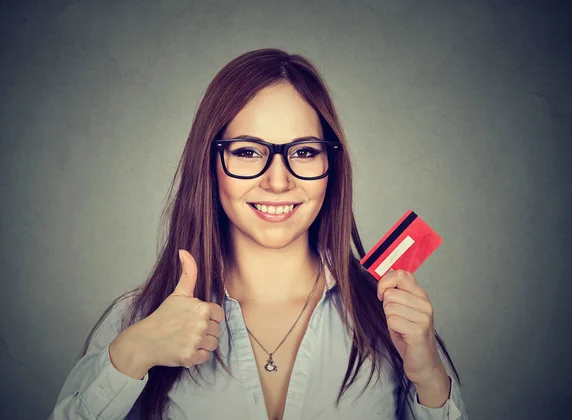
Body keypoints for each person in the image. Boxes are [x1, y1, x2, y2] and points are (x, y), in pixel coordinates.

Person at [48, 48, 468, 420]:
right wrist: (132, 354)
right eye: (248, 152)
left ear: (331, 166)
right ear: (210, 163)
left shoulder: (386, 320)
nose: (278, 181)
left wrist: (428, 374)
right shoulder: (141, 318)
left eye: (304, 152)